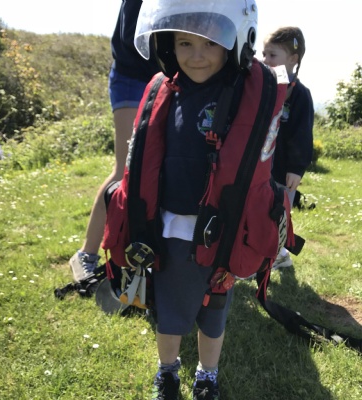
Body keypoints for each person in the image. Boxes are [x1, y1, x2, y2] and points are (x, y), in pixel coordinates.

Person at [102, 0, 290, 398]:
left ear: (234, 44)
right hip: (171, 230)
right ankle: (167, 371)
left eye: (210, 43)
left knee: (214, 316)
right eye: (185, 43)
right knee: (169, 313)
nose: (197, 55)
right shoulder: (166, 92)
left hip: (223, 233)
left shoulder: (243, 93)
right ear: (168, 46)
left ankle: (207, 374)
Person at [69, 0, 159, 282]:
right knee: (124, 170)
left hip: (171, 78)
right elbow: (130, 37)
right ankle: (86, 254)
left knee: (162, 171)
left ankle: (151, 257)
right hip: (133, 77)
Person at [262, 26, 314, 269]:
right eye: (264, 54)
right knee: (258, 210)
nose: (265, 60)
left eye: (272, 55)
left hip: (284, 171)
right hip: (260, 167)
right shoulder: (262, 88)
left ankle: (278, 254)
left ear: (293, 59)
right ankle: (265, 252)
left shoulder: (299, 95)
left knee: (278, 213)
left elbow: (302, 135)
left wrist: (296, 168)